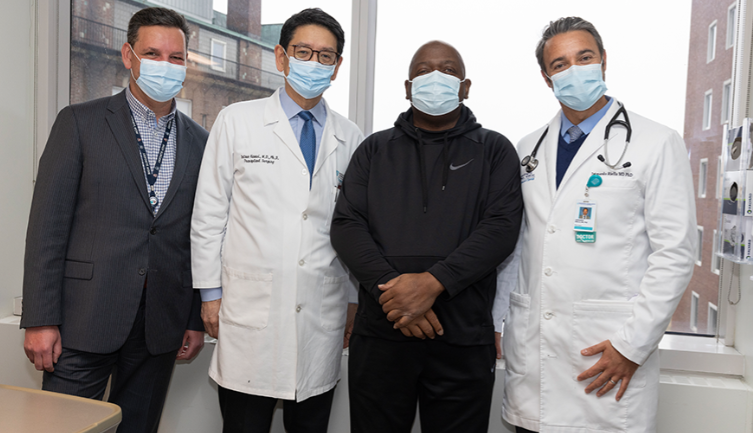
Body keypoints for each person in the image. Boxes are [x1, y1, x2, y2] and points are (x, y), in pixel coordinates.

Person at [500, 17, 696, 433]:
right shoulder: (527, 149)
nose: (574, 70)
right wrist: (498, 322)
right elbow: (517, 247)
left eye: (584, 57)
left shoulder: (656, 142)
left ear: (604, 60)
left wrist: (632, 346)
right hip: (534, 359)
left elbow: (675, 254)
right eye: (560, 64)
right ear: (546, 78)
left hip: (611, 352)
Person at [20, 7, 207, 433]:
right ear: (128, 55)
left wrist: (193, 318)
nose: (165, 65)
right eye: (153, 53)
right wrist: (40, 319)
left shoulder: (201, 141)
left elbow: (199, 237)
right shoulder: (80, 122)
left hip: (160, 324)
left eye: (176, 57)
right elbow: (47, 228)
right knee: (63, 428)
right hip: (83, 319)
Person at [331, 41, 523, 433]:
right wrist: (398, 298)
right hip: (383, 333)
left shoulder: (495, 150)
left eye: (448, 70)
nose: (435, 77)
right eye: (423, 71)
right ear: (407, 88)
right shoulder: (374, 150)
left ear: (465, 87)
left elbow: (501, 229)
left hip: (462, 339)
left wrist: (432, 284)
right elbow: (347, 225)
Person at [190, 8, 363, 433]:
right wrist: (209, 294)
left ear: (337, 66)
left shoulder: (351, 137)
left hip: (320, 311)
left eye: (325, 56)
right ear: (281, 57)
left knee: (310, 423)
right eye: (303, 52)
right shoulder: (237, 120)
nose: (314, 63)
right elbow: (209, 214)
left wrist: (352, 299)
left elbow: (354, 229)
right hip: (250, 312)